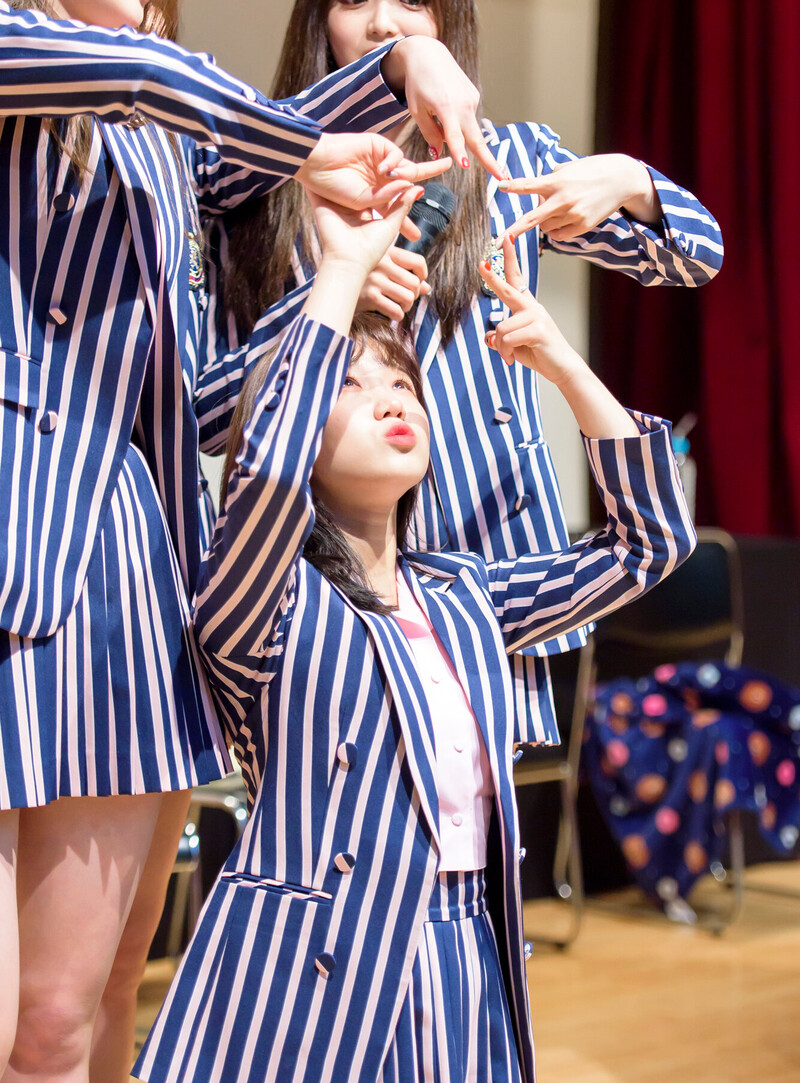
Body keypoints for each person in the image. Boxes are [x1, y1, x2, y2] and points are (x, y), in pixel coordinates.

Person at [133, 180, 696, 1083]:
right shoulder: (262, 597)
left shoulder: (464, 591)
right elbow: (258, 482)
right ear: (294, 426)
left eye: (400, 379)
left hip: (463, 951)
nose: (393, 394)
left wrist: (556, 361)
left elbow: (648, 540)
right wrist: (341, 273)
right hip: (323, 974)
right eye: (351, 385)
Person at [0, 2, 473, 1083]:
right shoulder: (49, 49)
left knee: (82, 998)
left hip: (133, 588)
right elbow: (160, 81)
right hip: (24, 560)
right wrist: (372, 89)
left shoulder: (169, 139)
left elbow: (194, 398)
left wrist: (333, 282)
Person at [196, 0, 723, 751]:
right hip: (320, 582)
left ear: (449, 24)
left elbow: (699, 253)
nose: (384, 24)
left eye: (412, 1)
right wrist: (330, 295)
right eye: (353, 1)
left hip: (489, 575)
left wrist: (630, 180)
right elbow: (206, 416)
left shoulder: (507, 162)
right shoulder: (260, 194)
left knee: (475, 831)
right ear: (316, 23)